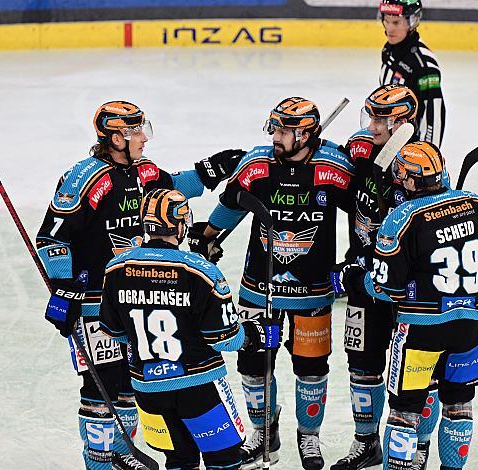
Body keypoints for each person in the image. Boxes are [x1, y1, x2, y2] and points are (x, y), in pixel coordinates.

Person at [36, 100, 244, 469]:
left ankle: (121, 452)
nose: (144, 139)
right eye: (136, 132)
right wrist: (65, 289)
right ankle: (100, 460)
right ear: (116, 138)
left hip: (134, 301)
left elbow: (173, 188)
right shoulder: (85, 178)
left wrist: (210, 170)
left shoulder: (142, 170)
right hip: (94, 305)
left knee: (133, 384)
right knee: (101, 388)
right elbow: (52, 240)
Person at [188, 97, 355, 470]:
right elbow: (234, 202)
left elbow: (363, 210)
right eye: (274, 130)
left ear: (305, 133)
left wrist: (361, 258)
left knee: (312, 368)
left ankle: (308, 437)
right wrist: (211, 235)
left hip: (313, 289)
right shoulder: (258, 164)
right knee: (252, 363)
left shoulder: (334, 167)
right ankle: (265, 433)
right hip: (258, 288)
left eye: (282, 131)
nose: (274, 137)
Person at [333, 142, 478, 470]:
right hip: (470, 328)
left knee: (404, 413)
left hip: (422, 331)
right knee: (459, 406)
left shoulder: (401, 219)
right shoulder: (475, 203)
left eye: (402, 174)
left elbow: (386, 289)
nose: (398, 180)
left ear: (412, 181)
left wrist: (353, 278)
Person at [98, 188, 280, 470]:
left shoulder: (116, 268)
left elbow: (113, 330)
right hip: (199, 387)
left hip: (148, 390)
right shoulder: (201, 272)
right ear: (180, 225)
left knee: (180, 461)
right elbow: (225, 338)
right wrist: (255, 334)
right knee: (225, 460)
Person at [330, 84, 419, 470]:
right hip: (361, 280)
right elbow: (340, 177)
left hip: (405, 290)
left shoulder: (421, 163)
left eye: (379, 119)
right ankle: (366, 442)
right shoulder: (364, 148)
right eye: (371, 117)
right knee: (361, 364)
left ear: (401, 122)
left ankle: (415, 449)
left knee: (415, 375)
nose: (372, 125)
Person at [379, 0, 446, 148]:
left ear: (413, 21)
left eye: (396, 23)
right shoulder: (388, 50)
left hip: (409, 147)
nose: (389, 29)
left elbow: (433, 115)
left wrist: (427, 152)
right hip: (387, 141)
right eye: (386, 21)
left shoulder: (424, 65)